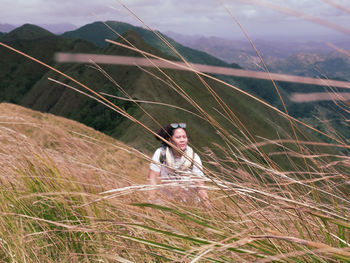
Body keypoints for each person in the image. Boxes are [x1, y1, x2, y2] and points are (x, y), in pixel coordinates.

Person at [148, 123, 210, 206]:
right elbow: (152, 178)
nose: (182, 140)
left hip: (191, 205)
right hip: (168, 203)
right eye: (178, 137)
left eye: (184, 137)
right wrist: (151, 200)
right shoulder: (161, 154)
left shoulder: (193, 158)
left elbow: (200, 185)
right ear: (169, 139)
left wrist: (207, 205)